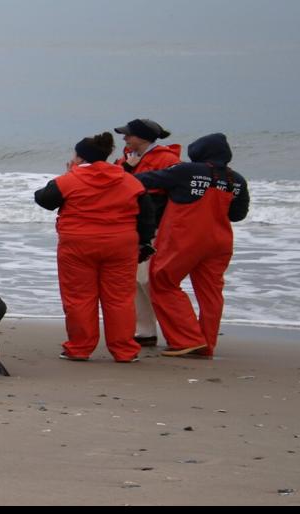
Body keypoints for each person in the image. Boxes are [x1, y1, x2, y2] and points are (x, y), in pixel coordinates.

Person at [33, 132, 156, 363]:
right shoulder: (129, 180)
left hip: (79, 244)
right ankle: (124, 351)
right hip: (120, 244)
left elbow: (44, 200)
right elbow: (147, 214)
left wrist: (68, 175)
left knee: (79, 297)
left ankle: (79, 349)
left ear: (79, 158)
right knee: (120, 298)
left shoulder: (70, 179)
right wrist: (145, 241)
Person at [134, 133, 250, 358]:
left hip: (185, 238)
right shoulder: (236, 180)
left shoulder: (186, 171)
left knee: (162, 281)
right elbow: (237, 215)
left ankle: (186, 340)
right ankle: (206, 344)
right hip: (220, 242)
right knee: (211, 293)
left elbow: (145, 180)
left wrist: (129, 169)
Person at [113, 119, 182, 348]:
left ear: (142, 137)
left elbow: (175, 194)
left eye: (128, 135)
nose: (124, 139)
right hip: (129, 226)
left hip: (156, 228)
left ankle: (177, 331)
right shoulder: (125, 158)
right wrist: (127, 168)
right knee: (133, 280)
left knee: (148, 279)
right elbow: (114, 183)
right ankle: (145, 331)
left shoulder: (168, 159)